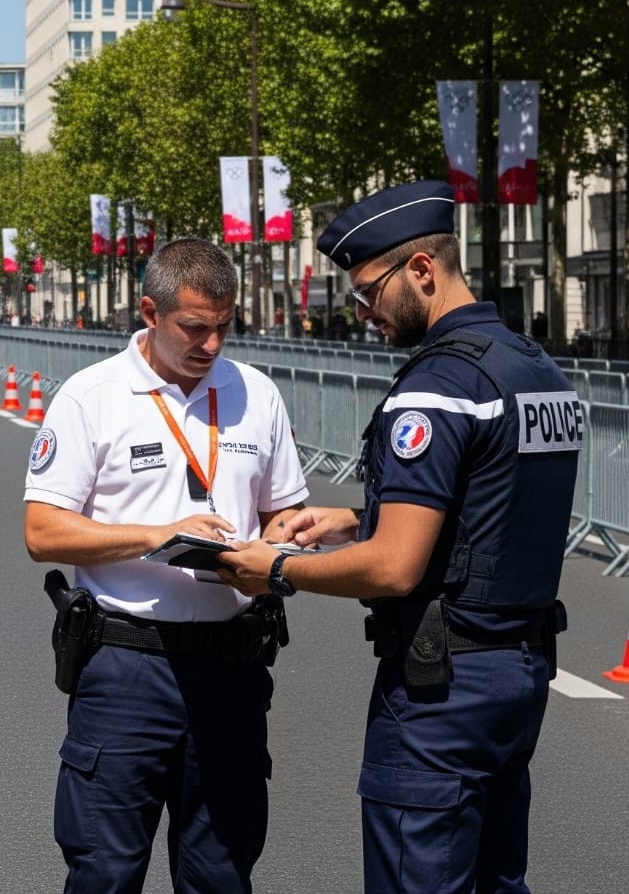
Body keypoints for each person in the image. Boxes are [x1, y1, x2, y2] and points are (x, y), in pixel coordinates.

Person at [218, 179, 579, 894]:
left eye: (369, 292)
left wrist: (279, 567)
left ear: (422, 270)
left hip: (441, 688)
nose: (363, 314)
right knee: (497, 879)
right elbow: (488, 501)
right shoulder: (535, 368)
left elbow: (394, 568)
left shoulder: (437, 384)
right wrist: (353, 516)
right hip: (519, 672)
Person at [24, 238, 310, 894]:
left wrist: (275, 546)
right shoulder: (90, 396)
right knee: (105, 873)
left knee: (221, 874)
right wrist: (158, 534)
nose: (212, 344)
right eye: (194, 327)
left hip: (232, 669)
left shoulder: (256, 393)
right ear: (149, 312)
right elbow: (42, 531)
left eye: (224, 326)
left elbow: (284, 512)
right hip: (128, 666)